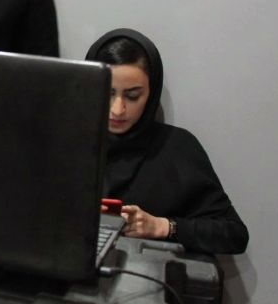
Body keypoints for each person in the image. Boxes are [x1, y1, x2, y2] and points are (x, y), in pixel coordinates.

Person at [86, 28, 248, 255]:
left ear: (151, 94)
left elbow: (233, 234)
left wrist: (161, 226)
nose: (118, 109)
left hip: (146, 274)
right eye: (107, 92)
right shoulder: (67, 144)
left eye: (132, 96)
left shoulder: (175, 148)